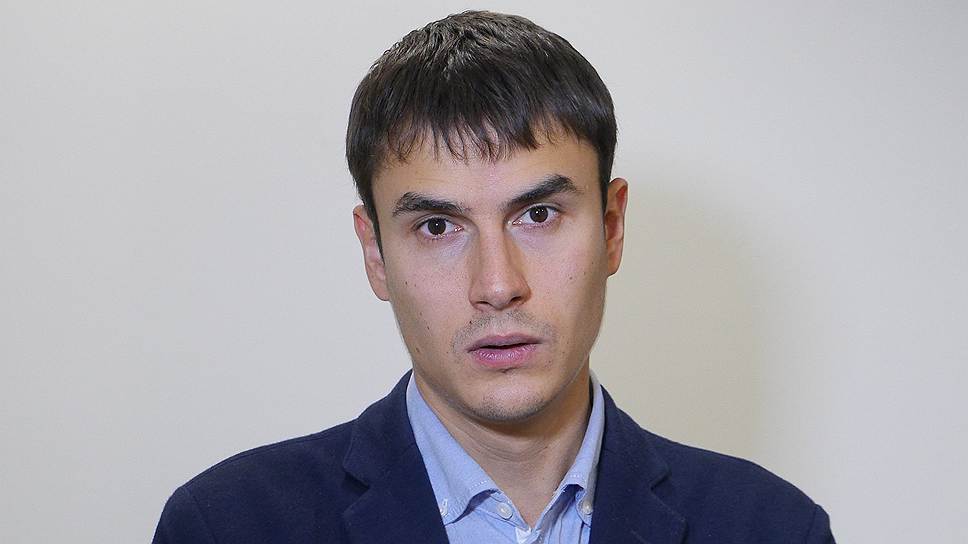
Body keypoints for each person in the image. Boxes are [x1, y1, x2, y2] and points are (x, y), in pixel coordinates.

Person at [152, 10, 834, 543]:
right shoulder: (228, 527)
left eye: (538, 215)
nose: (498, 284)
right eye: (438, 227)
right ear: (375, 254)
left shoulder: (774, 529)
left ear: (612, 226)